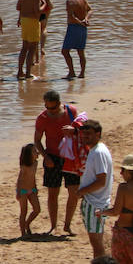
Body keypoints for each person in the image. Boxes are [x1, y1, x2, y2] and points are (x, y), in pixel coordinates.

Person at [34, 91, 82, 236]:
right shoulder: (42, 118)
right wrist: (45, 157)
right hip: (52, 158)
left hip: (70, 157)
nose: (50, 111)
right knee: (53, 193)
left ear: (59, 103)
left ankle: (67, 225)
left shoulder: (71, 111)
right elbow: (37, 140)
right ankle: (53, 226)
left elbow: (83, 131)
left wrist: (75, 130)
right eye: (47, 108)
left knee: (73, 192)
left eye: (53, 108)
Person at [77, 120, 113, 257]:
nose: (85, 137)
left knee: (96, 243)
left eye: (89, 134)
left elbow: (101, 181)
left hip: (95, 202)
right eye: (83, 134)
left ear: (98, 134)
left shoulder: (98, 152)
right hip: (96, 201)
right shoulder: (97, 150)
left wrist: (81, 192)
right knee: (97, 241)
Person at [61, 0, 92, 80]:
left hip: (74, 27)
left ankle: (71, 72)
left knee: (65, 51)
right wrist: (86, 19)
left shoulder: (70, 1)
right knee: (81, 51)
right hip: (83, 28)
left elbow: (71, 17)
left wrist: (80, 23)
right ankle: (82, 73)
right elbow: (90, 10)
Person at [17, 144, 42, 238]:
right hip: (23, 191)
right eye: (34, 151)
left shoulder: (35, 163)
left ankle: (27, 224)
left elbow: (33, 177)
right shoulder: (24, 166)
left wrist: (35, 187)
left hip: (32, 190)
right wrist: (18, 191)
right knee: (24, 211)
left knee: (37, 209)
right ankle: (23, 232)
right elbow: (20, 179)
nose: (37, 153)